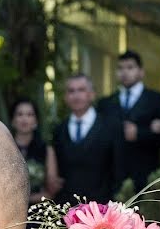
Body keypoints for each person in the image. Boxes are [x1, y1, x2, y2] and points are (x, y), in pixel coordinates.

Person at [98, 49, 160, 192]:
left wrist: (141, 133)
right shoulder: (105, 103)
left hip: (147, 177)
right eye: (120, 68)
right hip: (113, 179)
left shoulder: (158, 100)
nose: (125, 72)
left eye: (130, 67)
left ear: (141, 72)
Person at [52, 73, 125, 204]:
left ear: (92, 94)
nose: (76, 95)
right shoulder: (59, 130)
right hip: (66, 208)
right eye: (71, 91)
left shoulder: (111, 127)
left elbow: (119, 169)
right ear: (65, 97)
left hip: (102, 207)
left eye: (81, 90)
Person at [9, 97, 60, 203]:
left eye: (29, 114)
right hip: (7, 208)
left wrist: (25, 200)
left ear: (36, 121)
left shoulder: (47, 150)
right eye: (20, 114)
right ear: (13, 120)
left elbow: (51, 191)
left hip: (38, 210)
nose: (24, 119)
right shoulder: (4, 148)